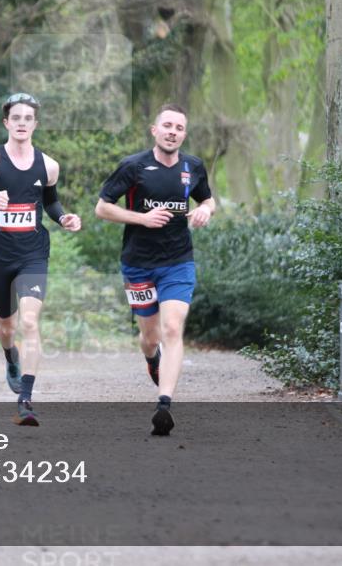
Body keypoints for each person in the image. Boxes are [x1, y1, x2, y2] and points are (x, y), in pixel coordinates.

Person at [0, 93, 81, 426]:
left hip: (33, 255)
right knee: (7, 326)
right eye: (17, 118)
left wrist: (64, 218)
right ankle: (10, 357)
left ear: (35, 124)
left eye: (28, 118)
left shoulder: (49, 165)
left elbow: (51, 203)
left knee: (29, 322)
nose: (22, 123)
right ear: (6, 123)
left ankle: (25, 399)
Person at [94, 104, 215, 436]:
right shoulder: (133, 167)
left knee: (172, 329)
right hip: (138, 264)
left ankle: (164, 405)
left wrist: (206, 210)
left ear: (184, 134)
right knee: (150, 339)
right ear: (155, 130)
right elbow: (102, 208)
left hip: (178, 261)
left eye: (179, 127)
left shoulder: (193, 167)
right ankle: (152, 360)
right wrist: (142, 218)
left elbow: (208, 200)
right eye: (167, 126)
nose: (172, 131)